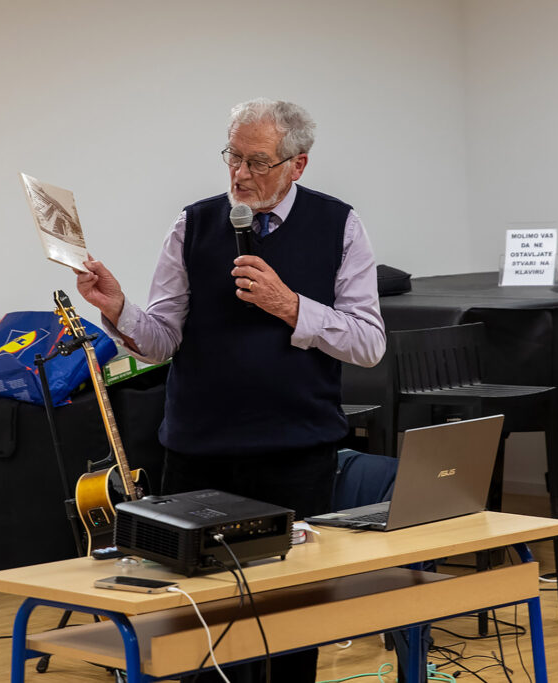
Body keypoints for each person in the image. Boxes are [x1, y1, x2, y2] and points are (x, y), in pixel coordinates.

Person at [75, 98, 385, 682]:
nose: (240, 174)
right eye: (233, 157)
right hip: (199, 452)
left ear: (297, 165)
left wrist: (290, 306)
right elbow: (161, 340)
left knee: (289, 624)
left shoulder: (339, 224)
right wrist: (117, 309)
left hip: (295, 453)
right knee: (197, 622)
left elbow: (369, 343)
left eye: (258, 162)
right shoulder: (192, 224)